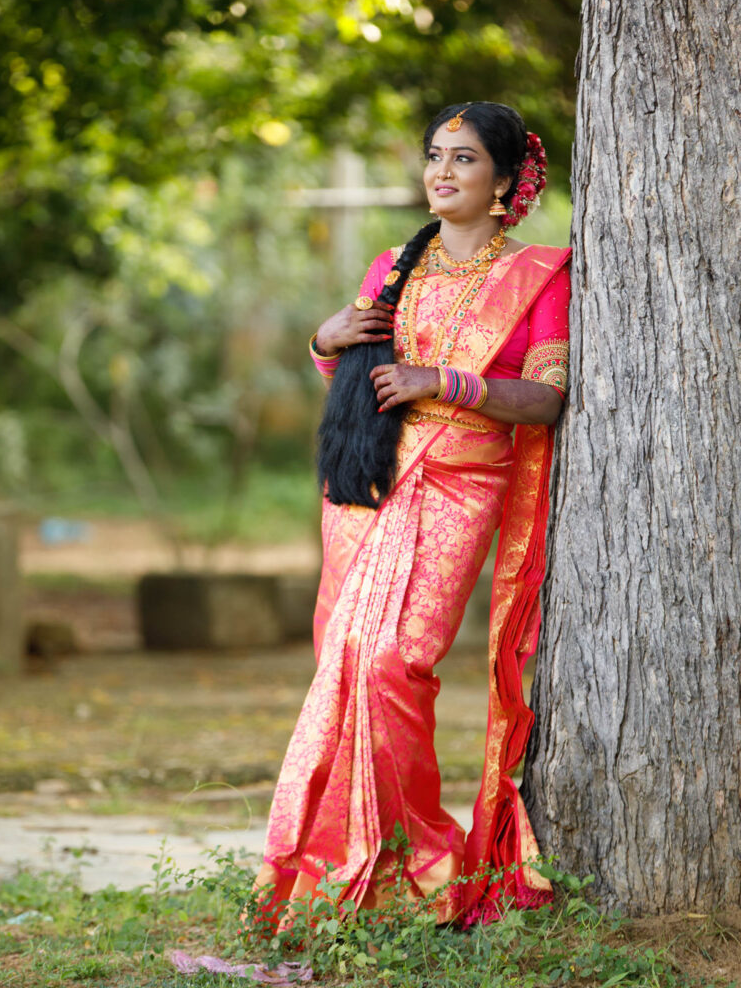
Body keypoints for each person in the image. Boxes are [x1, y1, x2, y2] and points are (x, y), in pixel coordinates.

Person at [253, 101, 571, 927]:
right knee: (347, 663)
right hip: (369, 487)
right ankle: (339, 874)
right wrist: (325, 342)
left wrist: (447, 383)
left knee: (397, 664)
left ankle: (416, 864)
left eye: (464, 159)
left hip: (462, 486)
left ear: (506, 182)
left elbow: (545, 399)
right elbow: (356, 387)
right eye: (435, 155)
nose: (441, 171)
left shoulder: (539, 273)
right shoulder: (393, 265)